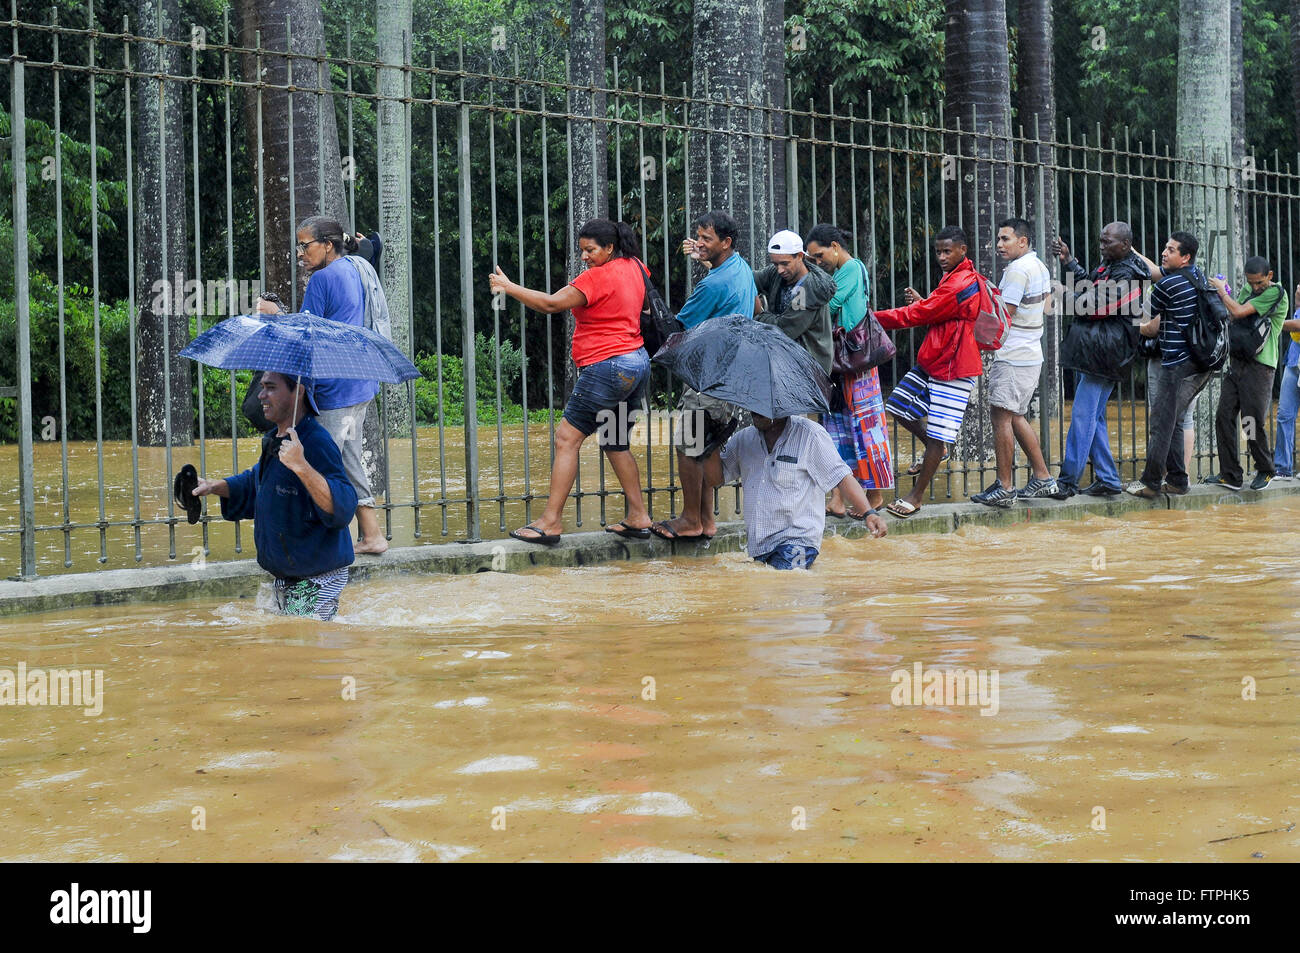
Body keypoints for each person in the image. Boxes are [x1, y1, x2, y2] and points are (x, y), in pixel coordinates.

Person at [488, 218, 653, 544]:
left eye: (591, 250)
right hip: (637, 363)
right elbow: (644, 307)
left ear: (608, 247)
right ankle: (639, 516)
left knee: (566, 439)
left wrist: (509, 287)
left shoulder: (596, 278)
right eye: (582, 251)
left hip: (607, 367)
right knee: (615, 441)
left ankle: (550, 523)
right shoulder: (635, 266)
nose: (585, 257)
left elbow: (550, 304)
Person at [192, 372, 358, 621]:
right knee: (286, 640)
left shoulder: (316, 443)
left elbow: (343, 506)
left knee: (300, 644)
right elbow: (257, 483)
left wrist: (301, 466)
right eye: (262, 387)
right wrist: (214, 486)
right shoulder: (276, 438)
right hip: (289, 575)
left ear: (299, 391)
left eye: (270, 387)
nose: (261, 395)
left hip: (317, 577)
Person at [651, 210, 758, 542]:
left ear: (725, 242)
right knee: (705, 446)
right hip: (731, 373)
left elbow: (677, 328)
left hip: (709, 375)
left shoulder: (713, 284)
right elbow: (753, 307)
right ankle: (706, 521)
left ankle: (690, 519)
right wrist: (705, 259)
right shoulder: (740, 268)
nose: (698, 243)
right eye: (698, 237)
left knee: (688, 446)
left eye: (706, 239)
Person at [872, 226, 986, 518]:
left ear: (963, 250)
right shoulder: (953, 278)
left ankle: (916, 496)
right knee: (897, 406)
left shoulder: (960, 283)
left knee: (938, 434)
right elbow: (938, 312)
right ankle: (938, 450)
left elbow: (919, 315)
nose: (942, 256)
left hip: (955, 367)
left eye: (948, 251)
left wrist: (872, 318)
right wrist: (926, 303)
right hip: (935, 360)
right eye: (938, 251)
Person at [295, 216, 387, 554]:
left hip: (335, 391)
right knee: (348, 459)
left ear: (327, 245)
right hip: (359, 384)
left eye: (305, 245)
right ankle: (372, 535)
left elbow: (306, 336)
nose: (300, 253)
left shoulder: (321, 281)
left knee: (320, 465)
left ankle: (324, 542)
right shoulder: (355, 267)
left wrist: (275, 317)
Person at [703, 412, 887, 569]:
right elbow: (715, 479)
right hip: (760, 546)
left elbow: (841, 476)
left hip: (798, 541)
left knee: (785, 589)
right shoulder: (744, 439)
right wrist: (712, 446)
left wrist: (868, 513)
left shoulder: (810, 435)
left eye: (763, 406)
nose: (755, 411)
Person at [1051, 222, 1150, 496]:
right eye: (1101, 241)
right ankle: (1107, 479)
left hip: (1106, 353)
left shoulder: (1127, 275)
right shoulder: (1113, 266)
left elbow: (1090, 306)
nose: (1102, 246)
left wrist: (1060, 293)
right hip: (1099, 350)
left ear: (1126, 245)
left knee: (1083, 416)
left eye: (1108, 242)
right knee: (1093, 417)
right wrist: (1070, 263)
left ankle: (1068, 481)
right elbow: (1090, 287)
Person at [804, 223, 895, 517]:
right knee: (839, 429)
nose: (817, 262)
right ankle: (839, 500)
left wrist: (802, 308)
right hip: (845, 363)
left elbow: (830, 307)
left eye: (818, 256)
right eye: (812, 259)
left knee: (864, 426)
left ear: (834, 246)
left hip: (855, 362)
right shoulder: (844, 271)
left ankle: (875, 494)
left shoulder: (851, 268)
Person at [971, 218, 1059, 507]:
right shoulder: (1040, 266)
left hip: (1013, 355)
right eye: (999, 238)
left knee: (1001, 417)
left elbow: (1003, 314)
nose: (999, 245)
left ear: (1022, 241)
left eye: (1005, 239)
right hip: (1030, 353)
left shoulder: (1018, 271)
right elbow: (1046, 308)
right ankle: (1043, 477)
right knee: (1016, 416)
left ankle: (1005, 487)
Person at [1127, 231, 1213, 498]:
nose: (1164, 253)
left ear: (1185, 257)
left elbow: (1144, 321)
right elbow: (1155, 269)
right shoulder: (1197, 276)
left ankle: (1151, 482)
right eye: (1165, 248)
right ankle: (1177, 480)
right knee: (1174, 420)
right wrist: (1133, 252)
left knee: (1162, 421)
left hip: (1176, 365)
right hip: (1202, 363)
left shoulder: (1168, 285)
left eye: (1171, 250)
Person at [1202, 257, 1288, 490]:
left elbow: (1239, 311)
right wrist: (1227, 295)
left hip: (1260, 366)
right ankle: (1230, 474)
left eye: (1259, 282)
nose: (1255, 287)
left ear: (1269, 276)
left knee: (1251, 420)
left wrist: (1222, 293)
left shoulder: (1276, 293)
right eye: (1251, 282)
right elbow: (1231, 315)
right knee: (1223, 415)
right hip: (1237, 362)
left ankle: (1266, 469)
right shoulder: (1249, 288)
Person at [753, 229, 836, 374]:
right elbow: (748, 278)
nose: (780, 270)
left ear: (799, 256)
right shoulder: (778, 273)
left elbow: (784, 330)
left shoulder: (808, 289)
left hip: (808, 369)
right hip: (787, 361)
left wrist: (759, 312)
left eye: (785, 263)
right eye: (775, 264)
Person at [1274, 288, 1300, 479]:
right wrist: (1298, 301)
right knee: (1284, 414)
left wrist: (1274, 322)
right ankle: (1283, 469)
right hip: (1294, 361)